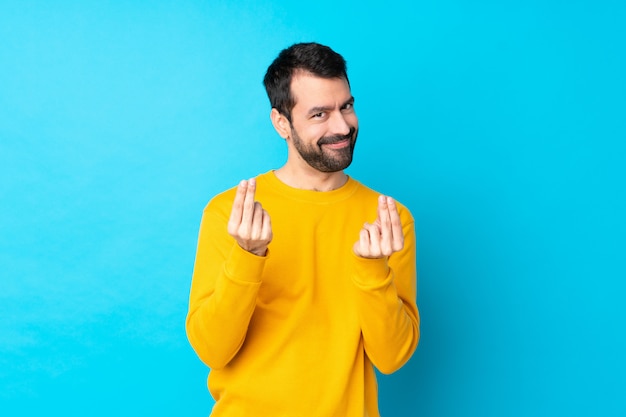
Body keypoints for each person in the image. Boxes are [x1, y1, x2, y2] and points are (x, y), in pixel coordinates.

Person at [186, 42, 420, 417]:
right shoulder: (229, 213)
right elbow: (213, 350)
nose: (342, 126)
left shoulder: (388, 219)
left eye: (346, 106)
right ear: (282, 123)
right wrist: (247, 256)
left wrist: (374, 273)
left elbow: (392, 358)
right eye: (319, 114)